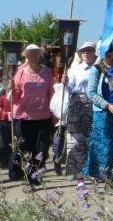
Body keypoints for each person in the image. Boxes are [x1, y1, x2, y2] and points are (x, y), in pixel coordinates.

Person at [9, 44, 55, 186]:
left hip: (43, 116)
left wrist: (55, 112)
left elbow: (52, 93)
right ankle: (29, 176)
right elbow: (15, 97)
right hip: (24, 117)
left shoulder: (47, 72)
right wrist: (11, 89)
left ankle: (37, 174)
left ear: (39, 54)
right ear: (26, 56)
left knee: (42, 149)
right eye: (30, 53)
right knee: (25, 148)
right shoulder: (20, 73)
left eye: (36, 53)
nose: (33, 55)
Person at [85, 42, 113, 180]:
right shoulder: (96, 69)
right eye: (106, 50)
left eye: (111, 50)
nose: (109, 53)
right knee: (105, 144)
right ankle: (103, 173)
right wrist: (107, 106)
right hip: (103, 113)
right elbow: (91, 93)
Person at [64, 42, 97, 177]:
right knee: (75, 138)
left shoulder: (99, 68)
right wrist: (65, 83)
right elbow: (69, 89)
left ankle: (90, 169)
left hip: (94, 104)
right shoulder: (75, 69)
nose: (86, 53)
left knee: (91, 138)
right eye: (83, 50)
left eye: (89, 50)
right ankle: (76, 171)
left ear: (94, 52)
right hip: (77, 104)